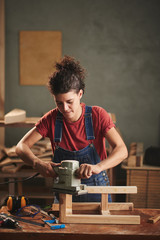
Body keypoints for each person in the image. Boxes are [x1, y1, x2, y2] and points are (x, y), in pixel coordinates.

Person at [16, 55, 128, 202]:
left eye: (69, 102)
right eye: (59, 103)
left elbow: (122, 149)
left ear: (80, 94)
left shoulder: (97, 115)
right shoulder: (51, 119)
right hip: (64, 191)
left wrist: (98, 167)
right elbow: (21, 147)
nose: (65, 108)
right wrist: (38, 163)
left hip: (95, 189)